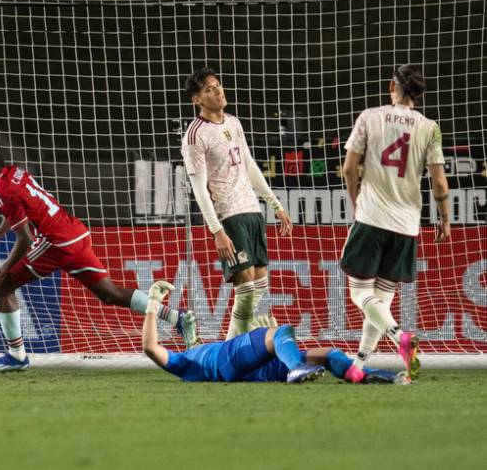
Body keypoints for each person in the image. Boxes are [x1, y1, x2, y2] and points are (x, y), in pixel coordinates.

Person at [0, 146, 196, 372]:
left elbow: (26, 238)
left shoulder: (3, 191)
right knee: (110, 293)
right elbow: (17, 213)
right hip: (75, 233)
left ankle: (17, 356)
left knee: (3, 285)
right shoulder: (15, 173)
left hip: (55, 242)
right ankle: (178, 318)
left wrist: (2, 270)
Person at [339, 64, 449, 383]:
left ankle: (399, 336)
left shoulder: (370, 117)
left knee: (361, 295)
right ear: (417, 94)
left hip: (372, 217)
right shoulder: (430, 127)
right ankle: (359, 365)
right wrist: (443, 217)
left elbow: (349, 168)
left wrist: (356, 199)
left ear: (392, 86)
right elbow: (440, 184)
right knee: (382, 299)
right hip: (406, 225)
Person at [181, 68, 294, 339]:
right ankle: (232, 351)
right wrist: (216, 230)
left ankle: (232, 347)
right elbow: (199, 188)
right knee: (245, 290)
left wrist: (274, 203)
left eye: (218, 85)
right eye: (209, 89)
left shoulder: (233, 122)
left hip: (252, 210)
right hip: (228, 215)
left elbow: (250, 165)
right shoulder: (195, 135)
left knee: (259, 286)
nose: (218, 91)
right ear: (196, 99)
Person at [142, 282, 407, 384]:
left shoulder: (197, 352)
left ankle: (363, 374)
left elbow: (194, 340)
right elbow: (151, 348)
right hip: (228, 360)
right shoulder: (183, 362)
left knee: (327, 355)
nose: (193, 334)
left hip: (256, 371)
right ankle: (295, 369)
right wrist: (153, 305)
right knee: (281, 332)